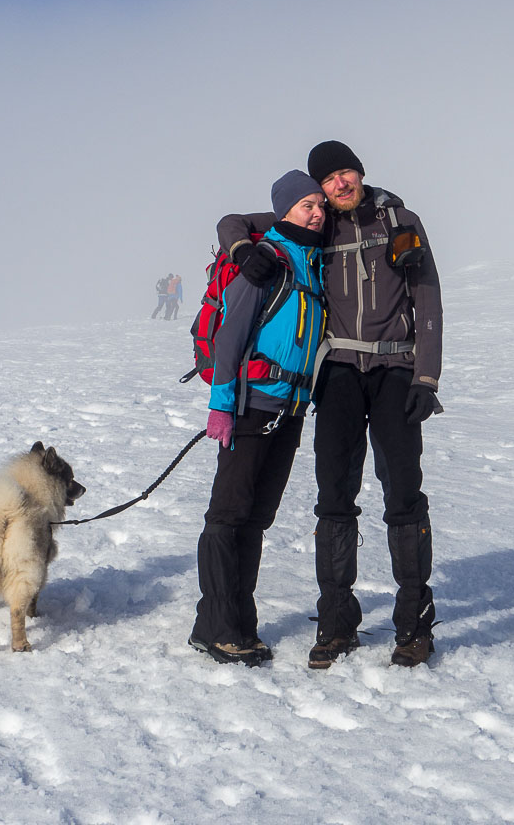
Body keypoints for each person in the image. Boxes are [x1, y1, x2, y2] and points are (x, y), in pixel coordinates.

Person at [217, 140, 443, 668]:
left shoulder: (399, 219)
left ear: (360, 174)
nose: (340, 185)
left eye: (348, 173)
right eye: (330, 180)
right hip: (337, 373)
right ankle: (337, 621)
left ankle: (414, 623)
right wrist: (241, 251)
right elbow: (232, 221)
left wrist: (426, 377)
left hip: (395, 371)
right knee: (333, 495)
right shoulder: (320, 222)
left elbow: (427, 295)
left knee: (404, 492)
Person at [190, 171, 327, 666]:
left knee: (254, 520)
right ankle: (220, 627)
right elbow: (230, 338)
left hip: (288, 412)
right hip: (250, 407)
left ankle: (232, 624)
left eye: (319, 205)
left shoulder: (311, 264)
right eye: (306, 205)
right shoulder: (267, 259)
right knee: (228, 517)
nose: (315, 212)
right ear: (284, 210)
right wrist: (221, 404)